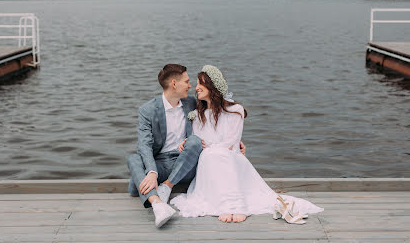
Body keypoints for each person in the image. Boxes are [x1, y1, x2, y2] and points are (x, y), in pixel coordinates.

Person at [170, 65, 324, 224]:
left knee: (218, 154)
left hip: (230, 158)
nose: (196, 88)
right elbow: (198, 142)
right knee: (210, 155)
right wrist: (187, 142)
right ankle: (226, 205)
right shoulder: (198, 115)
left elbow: (231, 142)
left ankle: (236, 205)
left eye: (200, 84)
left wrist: (213, 148)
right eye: (196, 84)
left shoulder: (235, 110)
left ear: (212, 85)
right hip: (208, 160)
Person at [127, 64, 246, 228]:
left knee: (194, 141)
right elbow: (144, 145)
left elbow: (217, 116)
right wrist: (152, 172)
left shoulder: (191, 103)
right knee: (133, 160)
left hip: (186, 162)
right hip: (160, 163)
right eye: (187, 81)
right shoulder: (148, 110)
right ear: (174, 84)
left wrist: (234, 143)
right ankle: (158, 204)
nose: (191, 86)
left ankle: (166, 187)